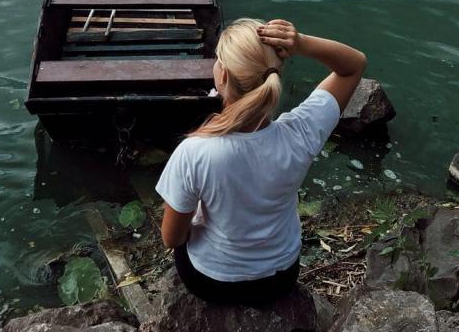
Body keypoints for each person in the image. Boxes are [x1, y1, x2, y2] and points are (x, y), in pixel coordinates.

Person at [155, 17, 366, 305]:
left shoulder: (195, 152)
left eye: (218, 60)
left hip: (211, 282)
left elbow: (172, 239)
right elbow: (353, 65)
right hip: (279, 279)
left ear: (224, 76)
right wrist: (301, 42)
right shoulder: (301, 133)